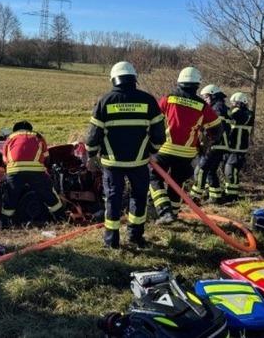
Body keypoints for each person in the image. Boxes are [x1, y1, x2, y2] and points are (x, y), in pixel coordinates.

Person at [85, 61, 165, 249]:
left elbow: (93, 135)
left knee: (113, 198)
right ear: (134, 79)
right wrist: (153, 151)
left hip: (112, 163)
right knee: (139, 198)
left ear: (114, 79)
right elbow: (159, 133)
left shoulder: (105, 101)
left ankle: (111, 242)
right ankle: (135, 237)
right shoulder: (148, 101)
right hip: (139, 162)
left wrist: (90, 155)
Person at [149, 67, 223, 224]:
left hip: (165, 149)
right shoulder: (202, 105)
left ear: (179, 82)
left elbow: (152, 117)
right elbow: (217, 127)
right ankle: (174, 215)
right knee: (176, 183)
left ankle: (164, 210)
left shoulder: (168, 99)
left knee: (153, 177)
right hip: (187, 153)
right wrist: (207, 140)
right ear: (197, 85)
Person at [0, 120, 63, 225]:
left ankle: (4, 223)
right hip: (36, 171)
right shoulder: (38, 136)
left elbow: (5, 160)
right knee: (50, 196)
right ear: (30, 128)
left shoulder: (10, 138)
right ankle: (61, 219)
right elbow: (47, 157)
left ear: (15, 129)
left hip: (14, 171)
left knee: (10, 198)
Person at [190, 84, 230, 203]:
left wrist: (204, 142)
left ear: (213, 96)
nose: (205, 100)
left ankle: (194, 197)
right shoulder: (223, 107)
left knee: (202, 169)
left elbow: (213, 128)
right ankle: (215, 197)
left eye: (206, 98)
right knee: (211, 170)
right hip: (221, 144)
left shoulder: (216, 108)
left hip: (214, 144)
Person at [223, 92, 254, 201]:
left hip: (238, 148)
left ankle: (232, 195)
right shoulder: (238, 112)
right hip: (231, 146)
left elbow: (231, 114)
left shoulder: (247, 114)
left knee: (231, 170)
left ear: (240, 103)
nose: (232, 104)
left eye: (234, 103)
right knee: (226, 170)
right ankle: (228, 192)